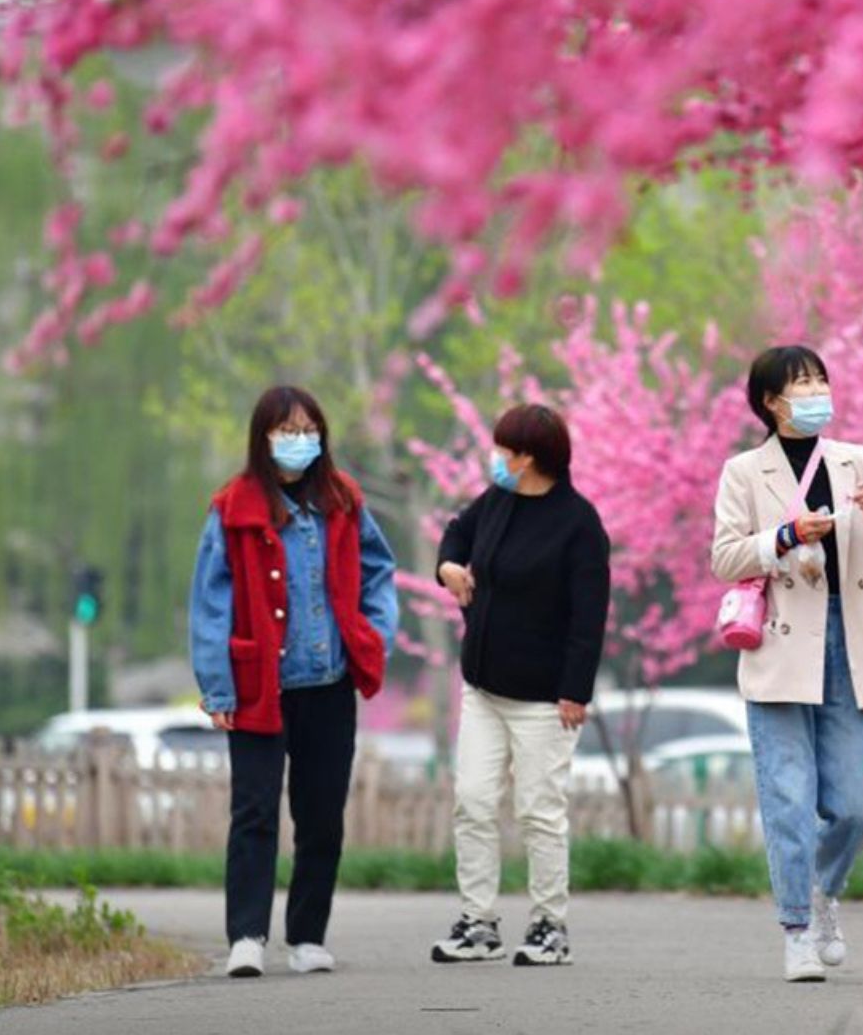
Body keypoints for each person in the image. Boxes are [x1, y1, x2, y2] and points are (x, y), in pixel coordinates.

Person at [710, 345, 863, 982]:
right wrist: (784, 536)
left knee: (857, 805)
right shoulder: (744, 472)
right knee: (788, 797)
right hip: (781, 645)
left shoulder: (857, 459)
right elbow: (724, 557)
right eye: (801, 384)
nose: (814, 393)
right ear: (771, 401)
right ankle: (798, 927)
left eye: (820, 380)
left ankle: (825, 889)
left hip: (855, 641)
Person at [188, 385, 400, 979]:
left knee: (322, 815)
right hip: (261, 686)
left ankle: (307, 936)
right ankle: (246, 936)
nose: (300, 440)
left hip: (329, 684)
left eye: (310, 430)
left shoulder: (342, 499)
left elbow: (380, 572)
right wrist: (218, 686)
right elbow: (210, 603)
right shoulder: (233, 507)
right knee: (254, 814)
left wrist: (371, 636)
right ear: (263, 437)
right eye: (287, 430)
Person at [430, 404, 611, 968]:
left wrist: (575, 691)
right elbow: (456, 534)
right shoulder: (496, 501)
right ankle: (478, 923)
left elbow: (589, 617)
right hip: (483, 688)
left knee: (539, 811)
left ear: (527, 458)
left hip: (545, 701)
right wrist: (448, 567)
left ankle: (549, 926)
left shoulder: (579, 524)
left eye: (502, 450)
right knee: (473, 803)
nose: (494, 458)